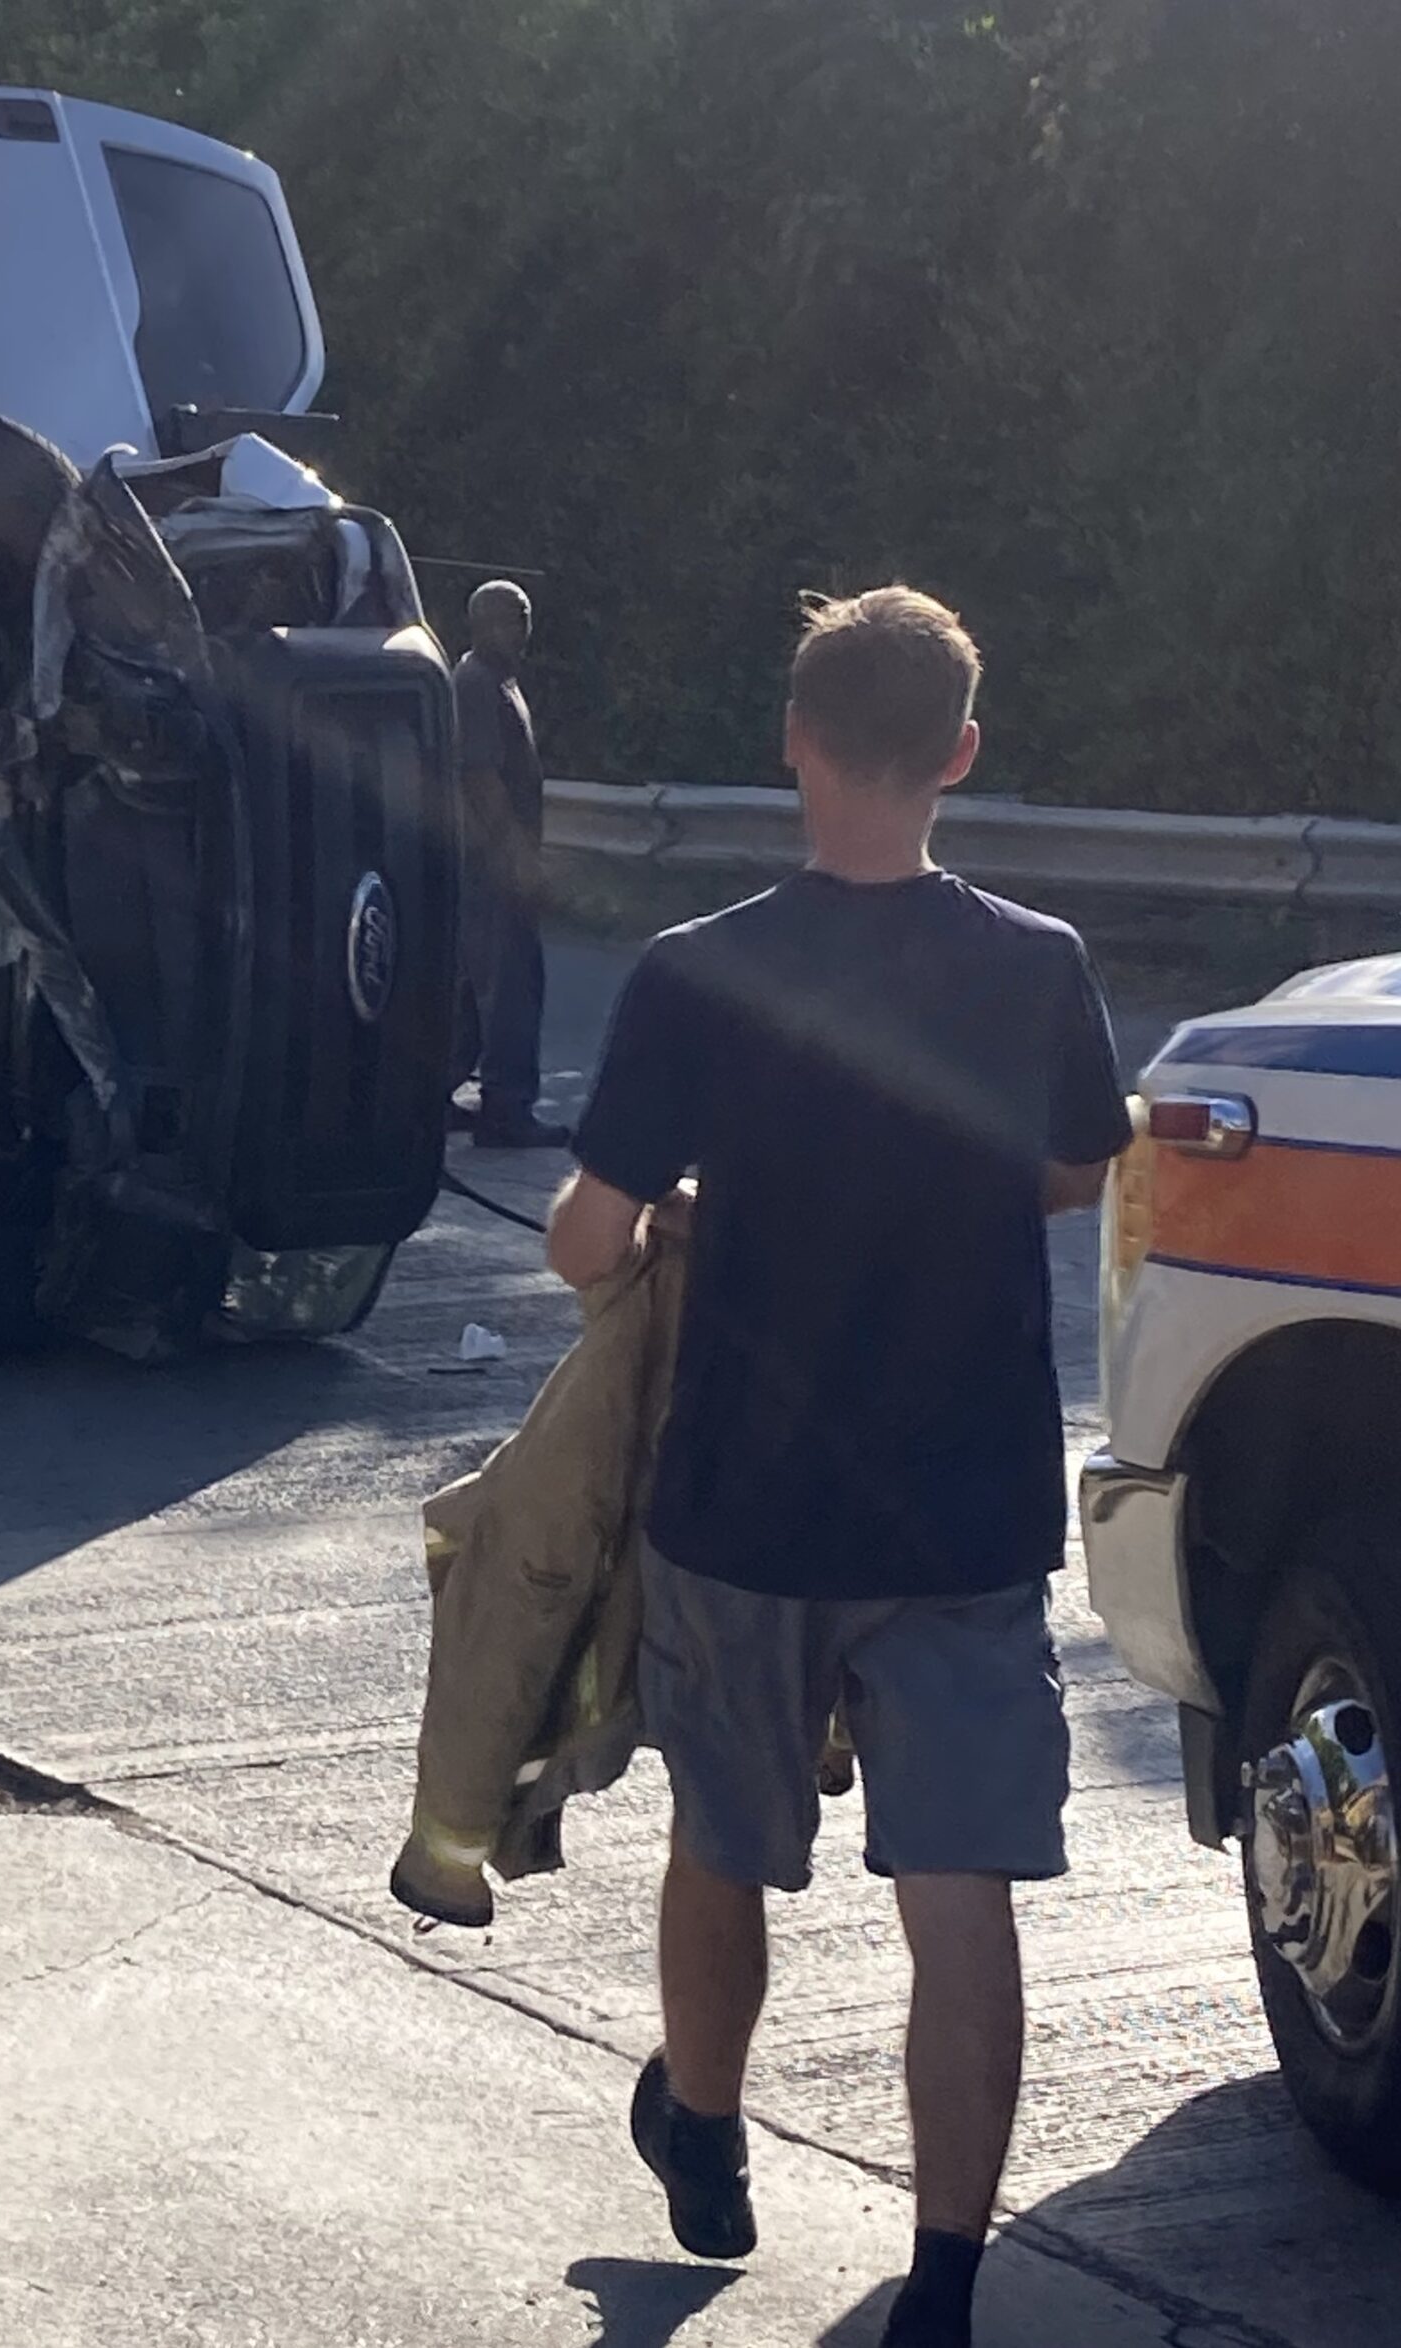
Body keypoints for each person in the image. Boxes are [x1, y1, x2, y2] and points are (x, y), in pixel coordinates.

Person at [544, 587, 1132, 2348]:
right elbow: (1080, 1169)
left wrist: (683, 1215)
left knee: (725, 1841)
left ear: (793, 739)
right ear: (958, 753)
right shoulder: (1041, 967)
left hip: (742, 1508)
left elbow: (585, 1239)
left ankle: (706, 2136)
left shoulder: (696, 971)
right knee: (960, 1899)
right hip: (963, 1514)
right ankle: (944, 2287)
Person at [453, 580, 557, 1147]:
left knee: (473, 993)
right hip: (490, 865)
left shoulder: (501, 683)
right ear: (482, 621)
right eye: (512, 617)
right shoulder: (474, 683)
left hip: (491, 863)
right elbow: (481, 777)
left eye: (524, 616)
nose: (521, 628)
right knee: (512, 984)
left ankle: (442, 1097)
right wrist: (519, 856)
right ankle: (506, 1109)